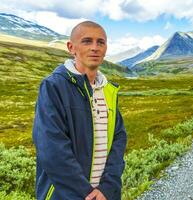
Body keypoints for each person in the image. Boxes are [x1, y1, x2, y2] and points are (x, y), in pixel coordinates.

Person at [32, 21, 127, 200]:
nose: (95, 48)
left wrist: (107, 188)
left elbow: (119, 139)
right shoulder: (53, 86)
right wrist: (86, 194)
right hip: (66, 196)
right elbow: (51, 149)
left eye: (100, 42)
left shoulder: (108, 90)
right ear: (71, 47)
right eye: (87, 41)